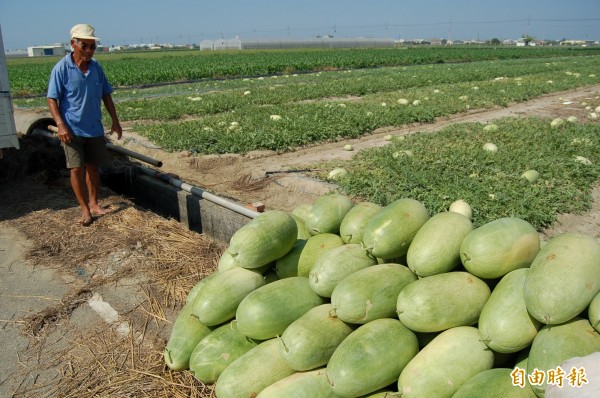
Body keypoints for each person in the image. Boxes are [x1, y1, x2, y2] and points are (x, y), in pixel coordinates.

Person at [47, 23, 122, 226]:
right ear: (73, 44)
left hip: (94, 128)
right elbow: (52, 99)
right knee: (76, 169)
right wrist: (61, 125)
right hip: (71, 129)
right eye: (84, 46)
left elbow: (106, 95)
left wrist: (115, 121)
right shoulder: (61, 68)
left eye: (92, 47)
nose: (89, 51)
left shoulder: (96, 67)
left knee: (93, 167)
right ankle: (84, 209)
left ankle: (94, 203)